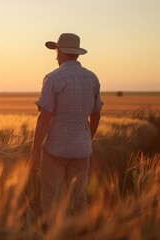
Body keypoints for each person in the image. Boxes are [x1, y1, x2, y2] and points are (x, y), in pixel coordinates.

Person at [29, 33, 103, 218]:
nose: (55, 56)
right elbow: (96, 114)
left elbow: (44, 118)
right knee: (79, 204)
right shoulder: (92, 78)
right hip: (81, 152)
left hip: (54, 152)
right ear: (77, 54)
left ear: (60, 52)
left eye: (56, 51)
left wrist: (34, 152)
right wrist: (88, 139)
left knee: (50, 205)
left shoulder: (53, 78)